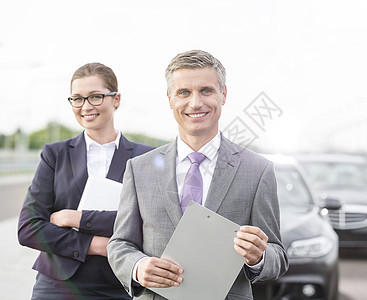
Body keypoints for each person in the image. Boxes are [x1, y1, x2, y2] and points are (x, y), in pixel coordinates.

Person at [107, 50, 288, 299]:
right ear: (170, 98)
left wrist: (259, 257)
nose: (195, 103)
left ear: (223, 95)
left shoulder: (258, 171)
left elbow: (277, 255)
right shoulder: (139, 169)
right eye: (184, 93)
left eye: (206, 90)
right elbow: (120, 244)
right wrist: (137, 267)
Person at [18, 62, 154, 299]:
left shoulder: (146, 158)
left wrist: (76, 218)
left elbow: (148, 222)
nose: (85, 106)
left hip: (118, 285)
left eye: (95, 97)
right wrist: (97, 245)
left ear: (116, 99)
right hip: (56, 285)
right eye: (77, 99)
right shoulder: (55, 154)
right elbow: (29, 228)